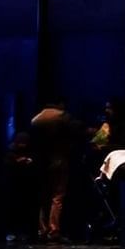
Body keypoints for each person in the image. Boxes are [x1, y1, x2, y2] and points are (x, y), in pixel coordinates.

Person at [28, 102, 82, 241]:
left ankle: (42, 229)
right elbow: (76, 129)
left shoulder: (37, 119)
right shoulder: (61, 116)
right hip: (58, 160)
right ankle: (54, 230)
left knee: (42, 196)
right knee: (57, 196)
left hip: (41, 162)